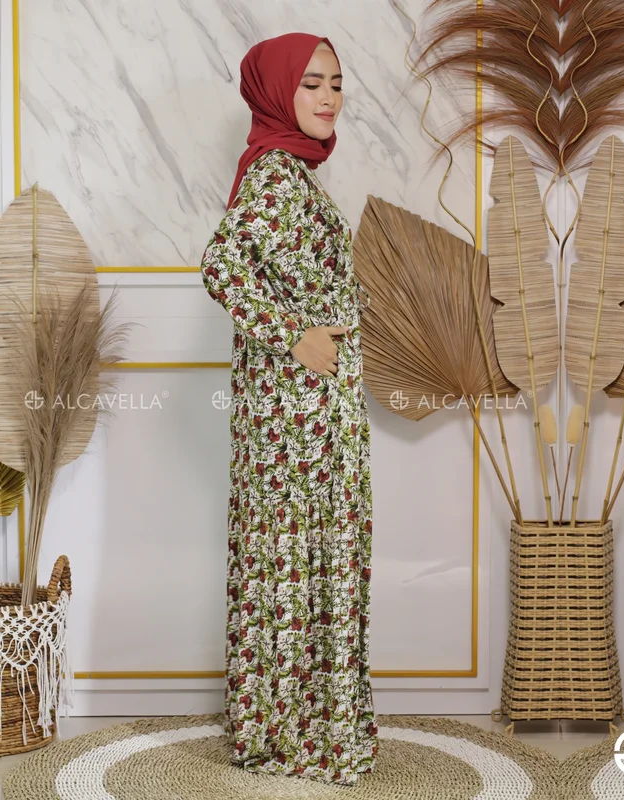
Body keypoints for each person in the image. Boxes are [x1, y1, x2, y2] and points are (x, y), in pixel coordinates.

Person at [200, 31, 378, 786]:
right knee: (296, 562)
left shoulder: (291, 174)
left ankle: (298, 726)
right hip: (293, 419)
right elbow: (222, 267)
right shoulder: (275, 174)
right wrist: (296, 336)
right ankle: (295, 734)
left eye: (336, 82)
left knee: (306, 560)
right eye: (311, 83)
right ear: (277, 91)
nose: (330, 97)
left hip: (311, 412)